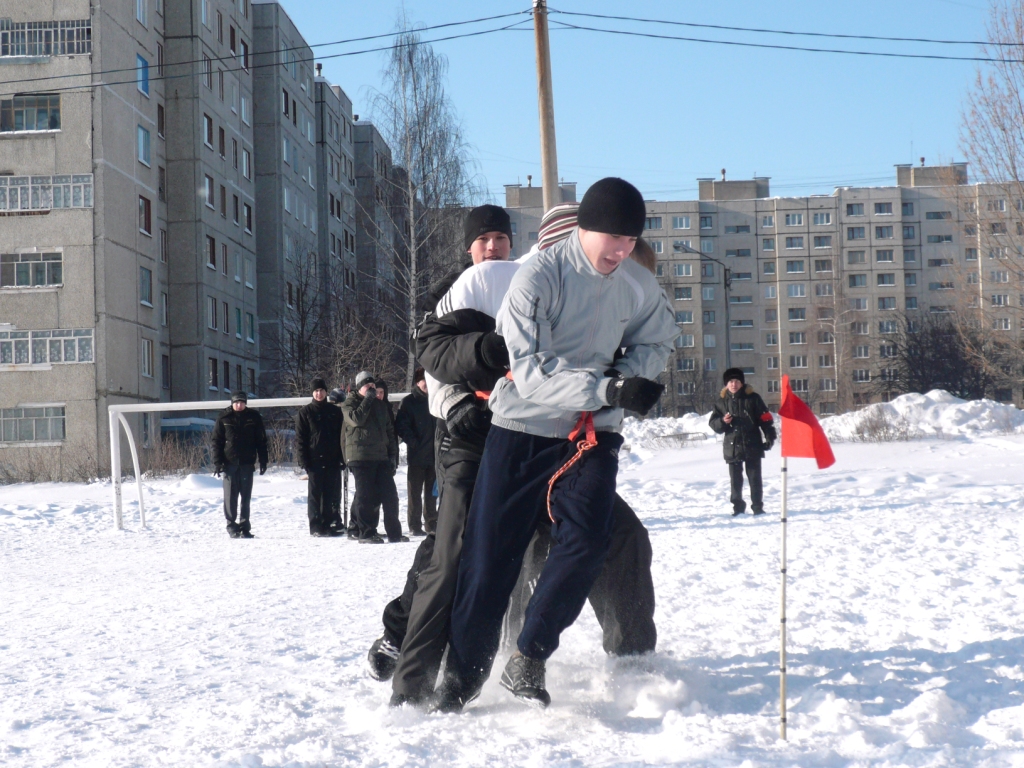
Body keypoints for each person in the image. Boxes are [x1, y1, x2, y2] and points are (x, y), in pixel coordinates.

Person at [440, 177, 678, 710]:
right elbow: (529, 375)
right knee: (489, 560)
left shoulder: (635, 284)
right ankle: (461, 677)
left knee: (593, 536)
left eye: (629, 239)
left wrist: (628, 373)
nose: (620, 250)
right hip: (522, 430)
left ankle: (530, 655)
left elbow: (660, 335)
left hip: (591, 434)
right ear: (583, 229)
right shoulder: (535, 281)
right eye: (611, 238)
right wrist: (608, 387)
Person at [366, 203, 514, 695]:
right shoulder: (450, 296)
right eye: (484, 240)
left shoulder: (526, 287)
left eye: (500, 239)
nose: (493, 248)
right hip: (463, 432)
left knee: (506, 544)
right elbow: (433, 367)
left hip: (520, 432)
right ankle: (397, 634)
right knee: (448, 543)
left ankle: (515, 652)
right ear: (469, 249)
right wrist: (455, 408)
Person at [342, 371, 404, 543]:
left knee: (390, 495)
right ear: (359, 388)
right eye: (367, 386)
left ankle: (394, 532)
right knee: (366, 496)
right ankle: (366, 532)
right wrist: (368, 400)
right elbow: (357, 419)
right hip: (360, 456)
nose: (371, 389)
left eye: (372, 386)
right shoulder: (349, 403)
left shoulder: (381, 405)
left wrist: (392, 456)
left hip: (380, 456)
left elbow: (389, 432)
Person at [709, 368, 776, 516]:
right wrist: (722, 421)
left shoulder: (753, 399)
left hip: (752, 445)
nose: (734, 384)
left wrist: (770, 437)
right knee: (735, 481)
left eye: (737, 381)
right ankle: (738, 508)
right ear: (726, 384)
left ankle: (757, 507)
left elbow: (765, 419)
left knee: (754, 479)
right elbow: (713, 424)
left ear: (742, 383)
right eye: (731, 381)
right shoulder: (721, 402)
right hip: (732, 447)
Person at [212, 390, 268, 539]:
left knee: (246, 497)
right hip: (229, 463)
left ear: (245, 403)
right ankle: (231, 525)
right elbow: (216, 441)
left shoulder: (253, 417)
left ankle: (245, 526)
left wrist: (263, 460)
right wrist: (217, 462)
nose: (239, 405)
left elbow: (261, 441)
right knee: (230, 497)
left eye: (242, 402)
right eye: (236, 402)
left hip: (247, 463)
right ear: (232, 403)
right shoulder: (224, 417)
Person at [295, 377, 345, 537]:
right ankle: (316, 526)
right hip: (314, 460)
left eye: (322, 390)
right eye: (316, 391)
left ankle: (328, 523)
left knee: (330, 494)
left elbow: (341, 437)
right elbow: (301, 439)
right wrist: (304, 460)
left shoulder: (335, 412)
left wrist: (343, 458)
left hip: (332, 459)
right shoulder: (305, 413)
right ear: (312, 393)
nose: (319, 393)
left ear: (326, 392)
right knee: (315, 495)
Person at [395, 368, 435, 536]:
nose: (427, 384)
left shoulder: (436, 399)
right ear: (418, 382)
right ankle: (414, 524)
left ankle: (432, 523)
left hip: (434, 455)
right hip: (417, 455)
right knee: (414, 493)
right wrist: (413, 443)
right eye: (423, 380)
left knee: (432, 494)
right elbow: (401, 426)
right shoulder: (409, 402)